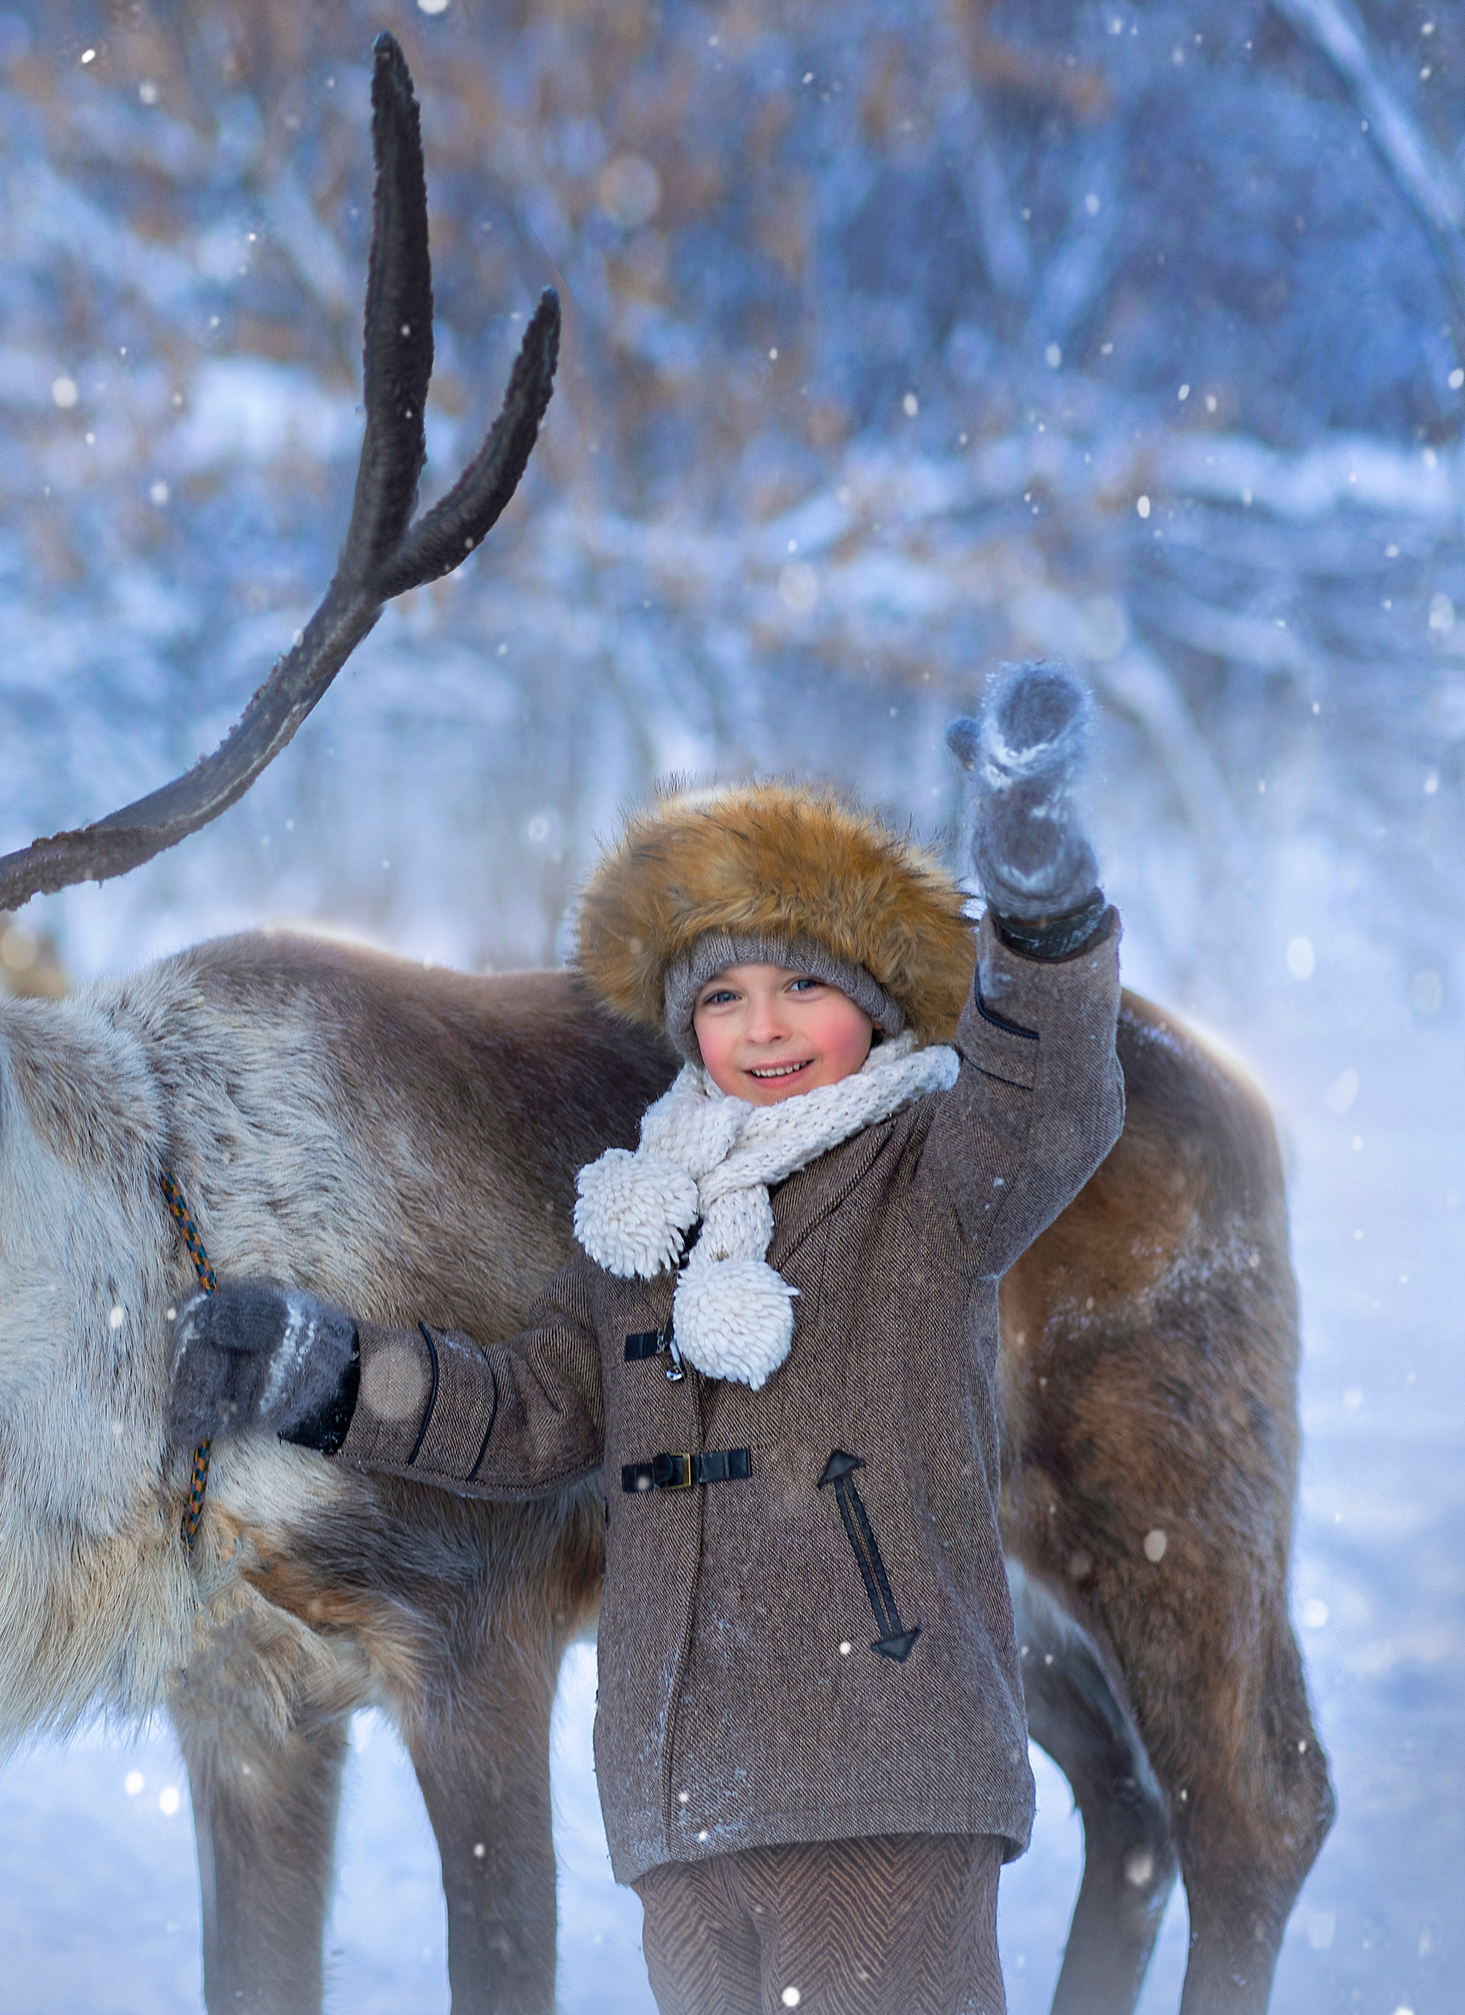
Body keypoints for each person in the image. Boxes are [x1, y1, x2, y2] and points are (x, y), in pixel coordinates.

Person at [166, 663, 1125, 2015]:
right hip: (687, 1808)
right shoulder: (645, 1226)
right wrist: (326, 1374)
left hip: (880, 1773)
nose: (765, 1025)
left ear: (878, 1001)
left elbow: (1050, 1093)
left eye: (804, 981)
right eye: (721, 997)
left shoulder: (929, 1179)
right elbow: (519, 1417)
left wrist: (1039, 898)